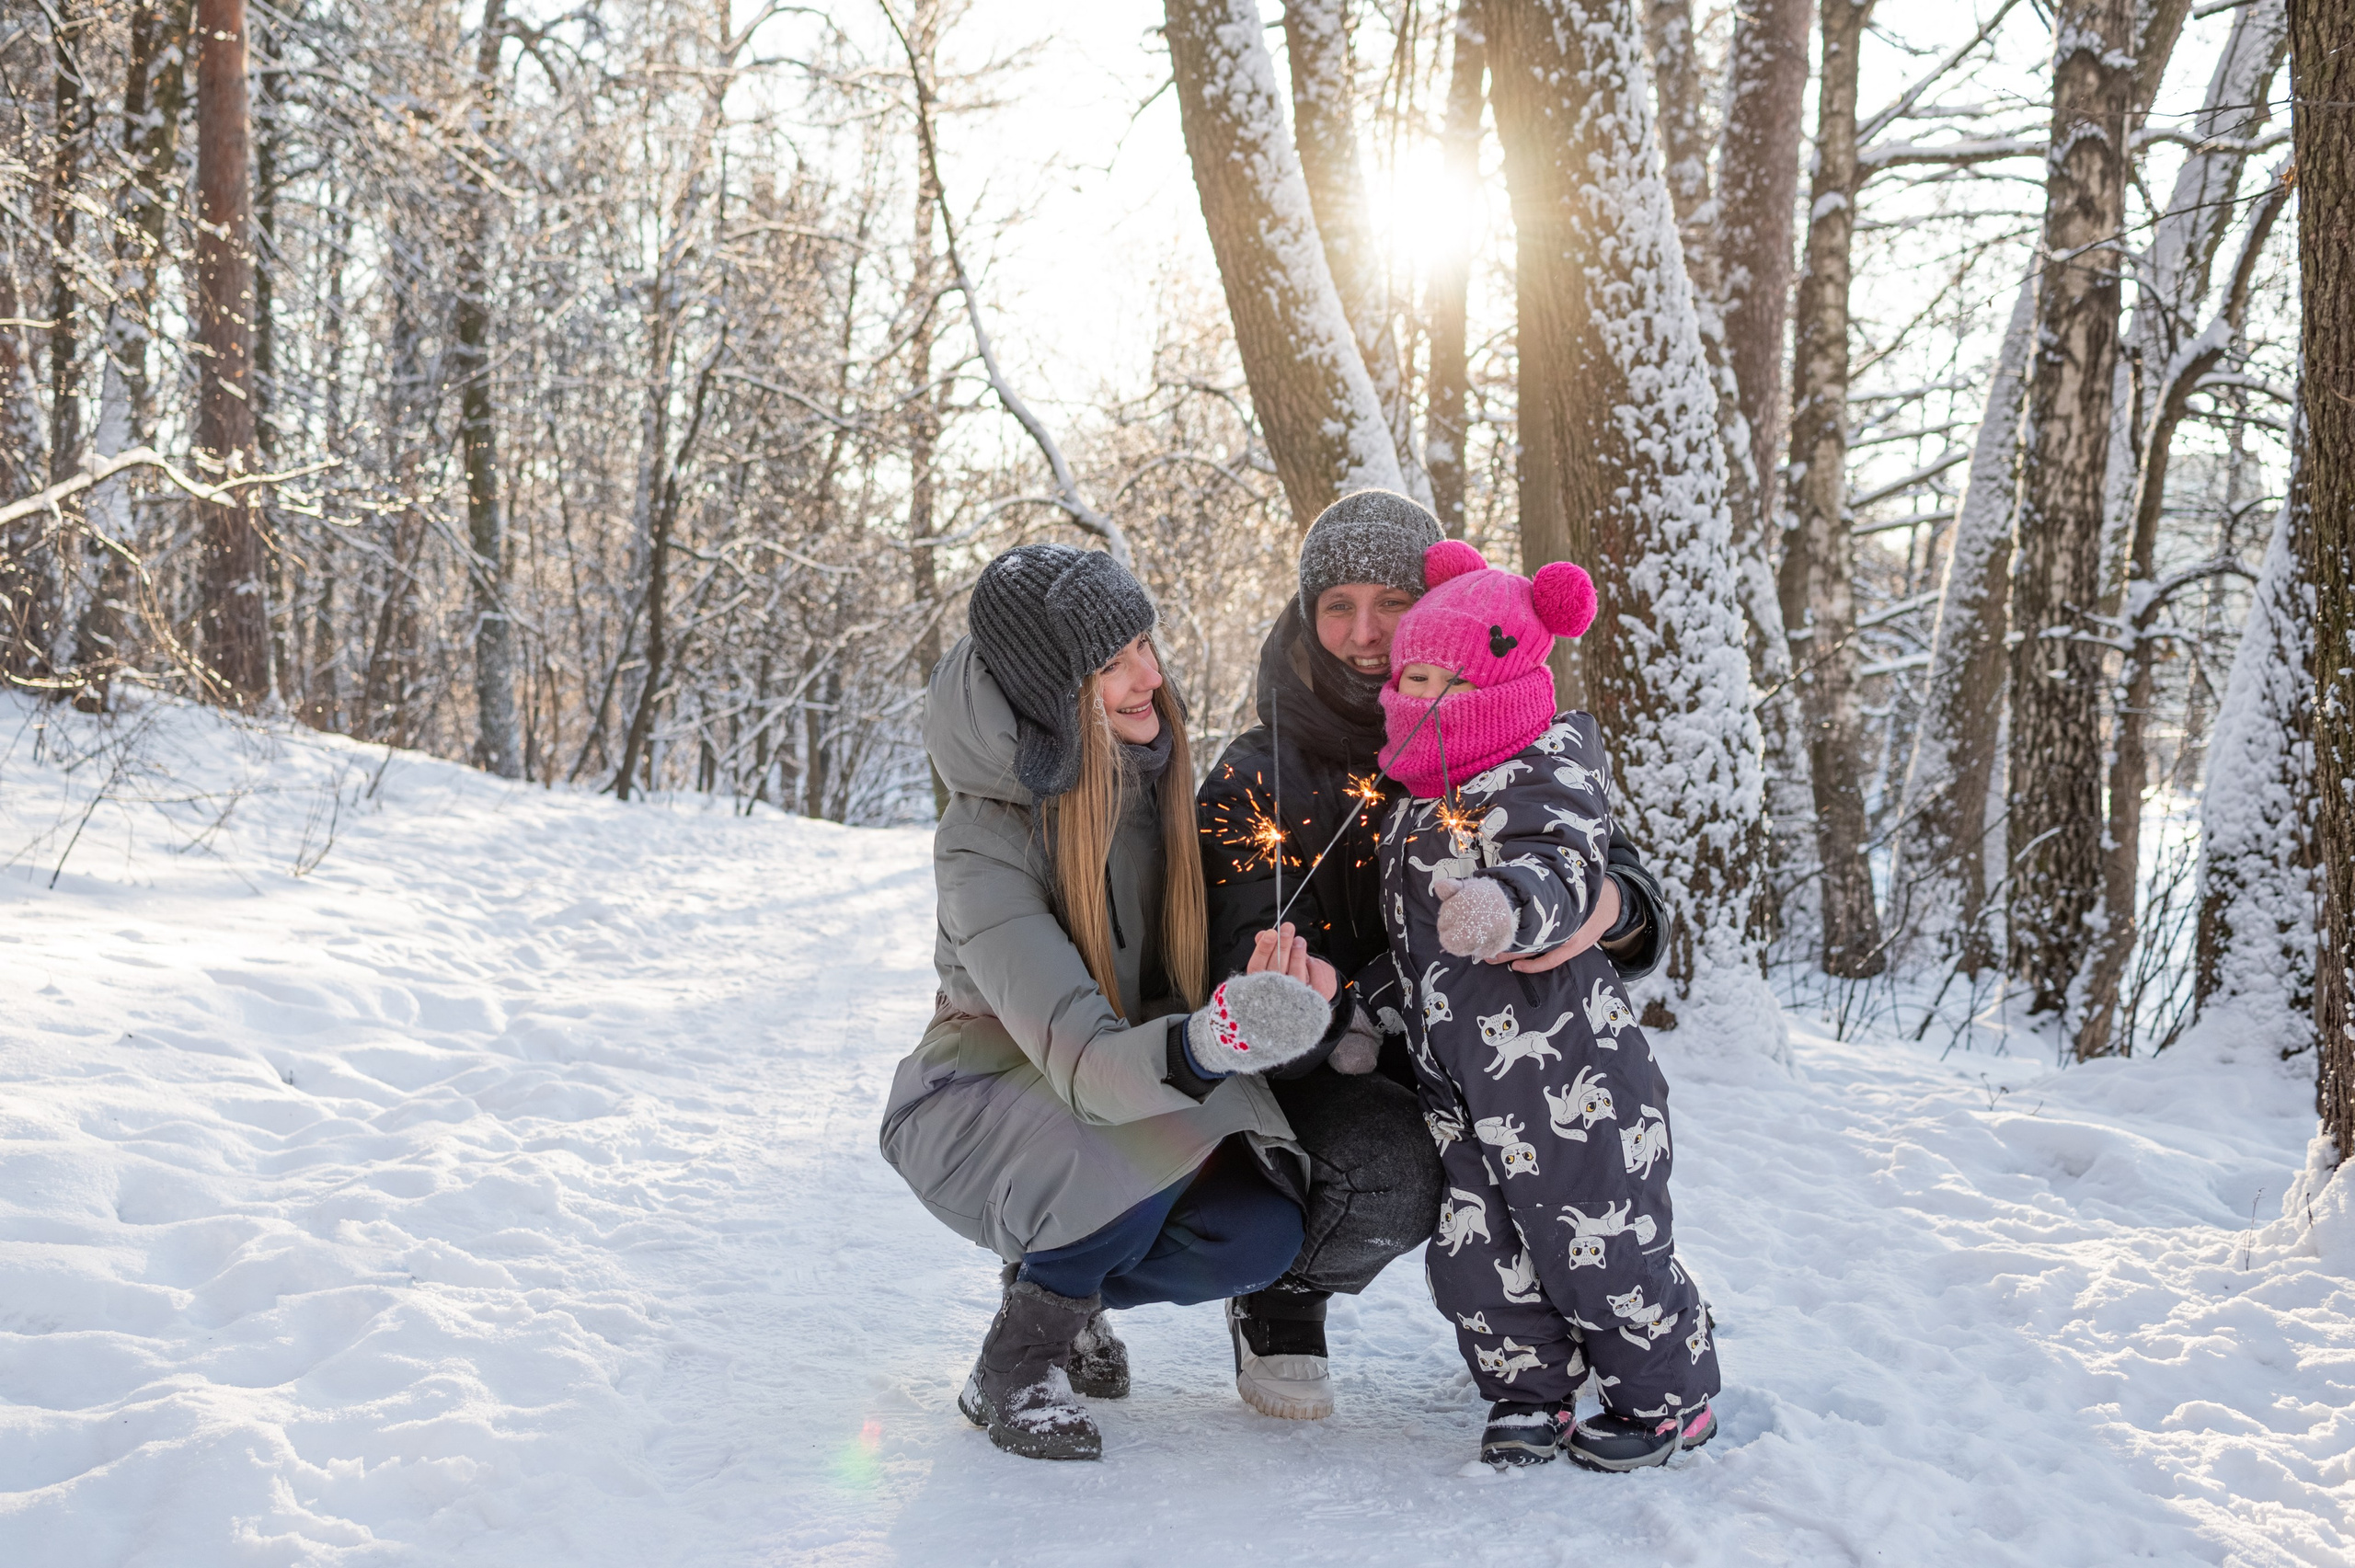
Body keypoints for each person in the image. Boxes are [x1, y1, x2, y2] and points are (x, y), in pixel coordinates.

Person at [879, 542, 1393, 1462]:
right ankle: (1018, 1357)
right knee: (1127, 1136)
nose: (1149, 676)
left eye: (1144, 644)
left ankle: (1063, 1290)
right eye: (1111, 663)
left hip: (1113, 1094)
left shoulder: (1154, 786)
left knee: (1260, 1229)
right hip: (983, 1098)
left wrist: (1276, 988)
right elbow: (1080, 1059)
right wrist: (1212, 1040)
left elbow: (1187, 993)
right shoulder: (980, 842)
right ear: (1049, 696)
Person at [1196, 490, 1671, 1422]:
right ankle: (1284, 1286)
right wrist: (1299, 1001)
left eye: (1392, 602)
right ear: (1306, 615)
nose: (1366, 632)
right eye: (1338, 605)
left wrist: (1604, 909)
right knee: (1396, 1163)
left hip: (1489, 1046)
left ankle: (1560, 1334)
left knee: (1577, 1151)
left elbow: (1610, 872)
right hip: (1340, 1068)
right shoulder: (1259, 772)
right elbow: (1231, 967)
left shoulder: (1509, 725)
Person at [1373, 539, 1721, 1471]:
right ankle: (1526, 1391)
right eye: (1411, 674)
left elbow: (1563, 861)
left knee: (1601, 1238)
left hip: (1574, 1071)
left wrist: (1513, 905)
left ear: (1504, 679)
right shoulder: (1412, 800)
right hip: (1462, 1083)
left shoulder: (1539, 771)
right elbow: (1402, 943)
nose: (1421, 695)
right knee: (1478, 1251)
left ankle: (1669, 1395)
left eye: (1447, 679)